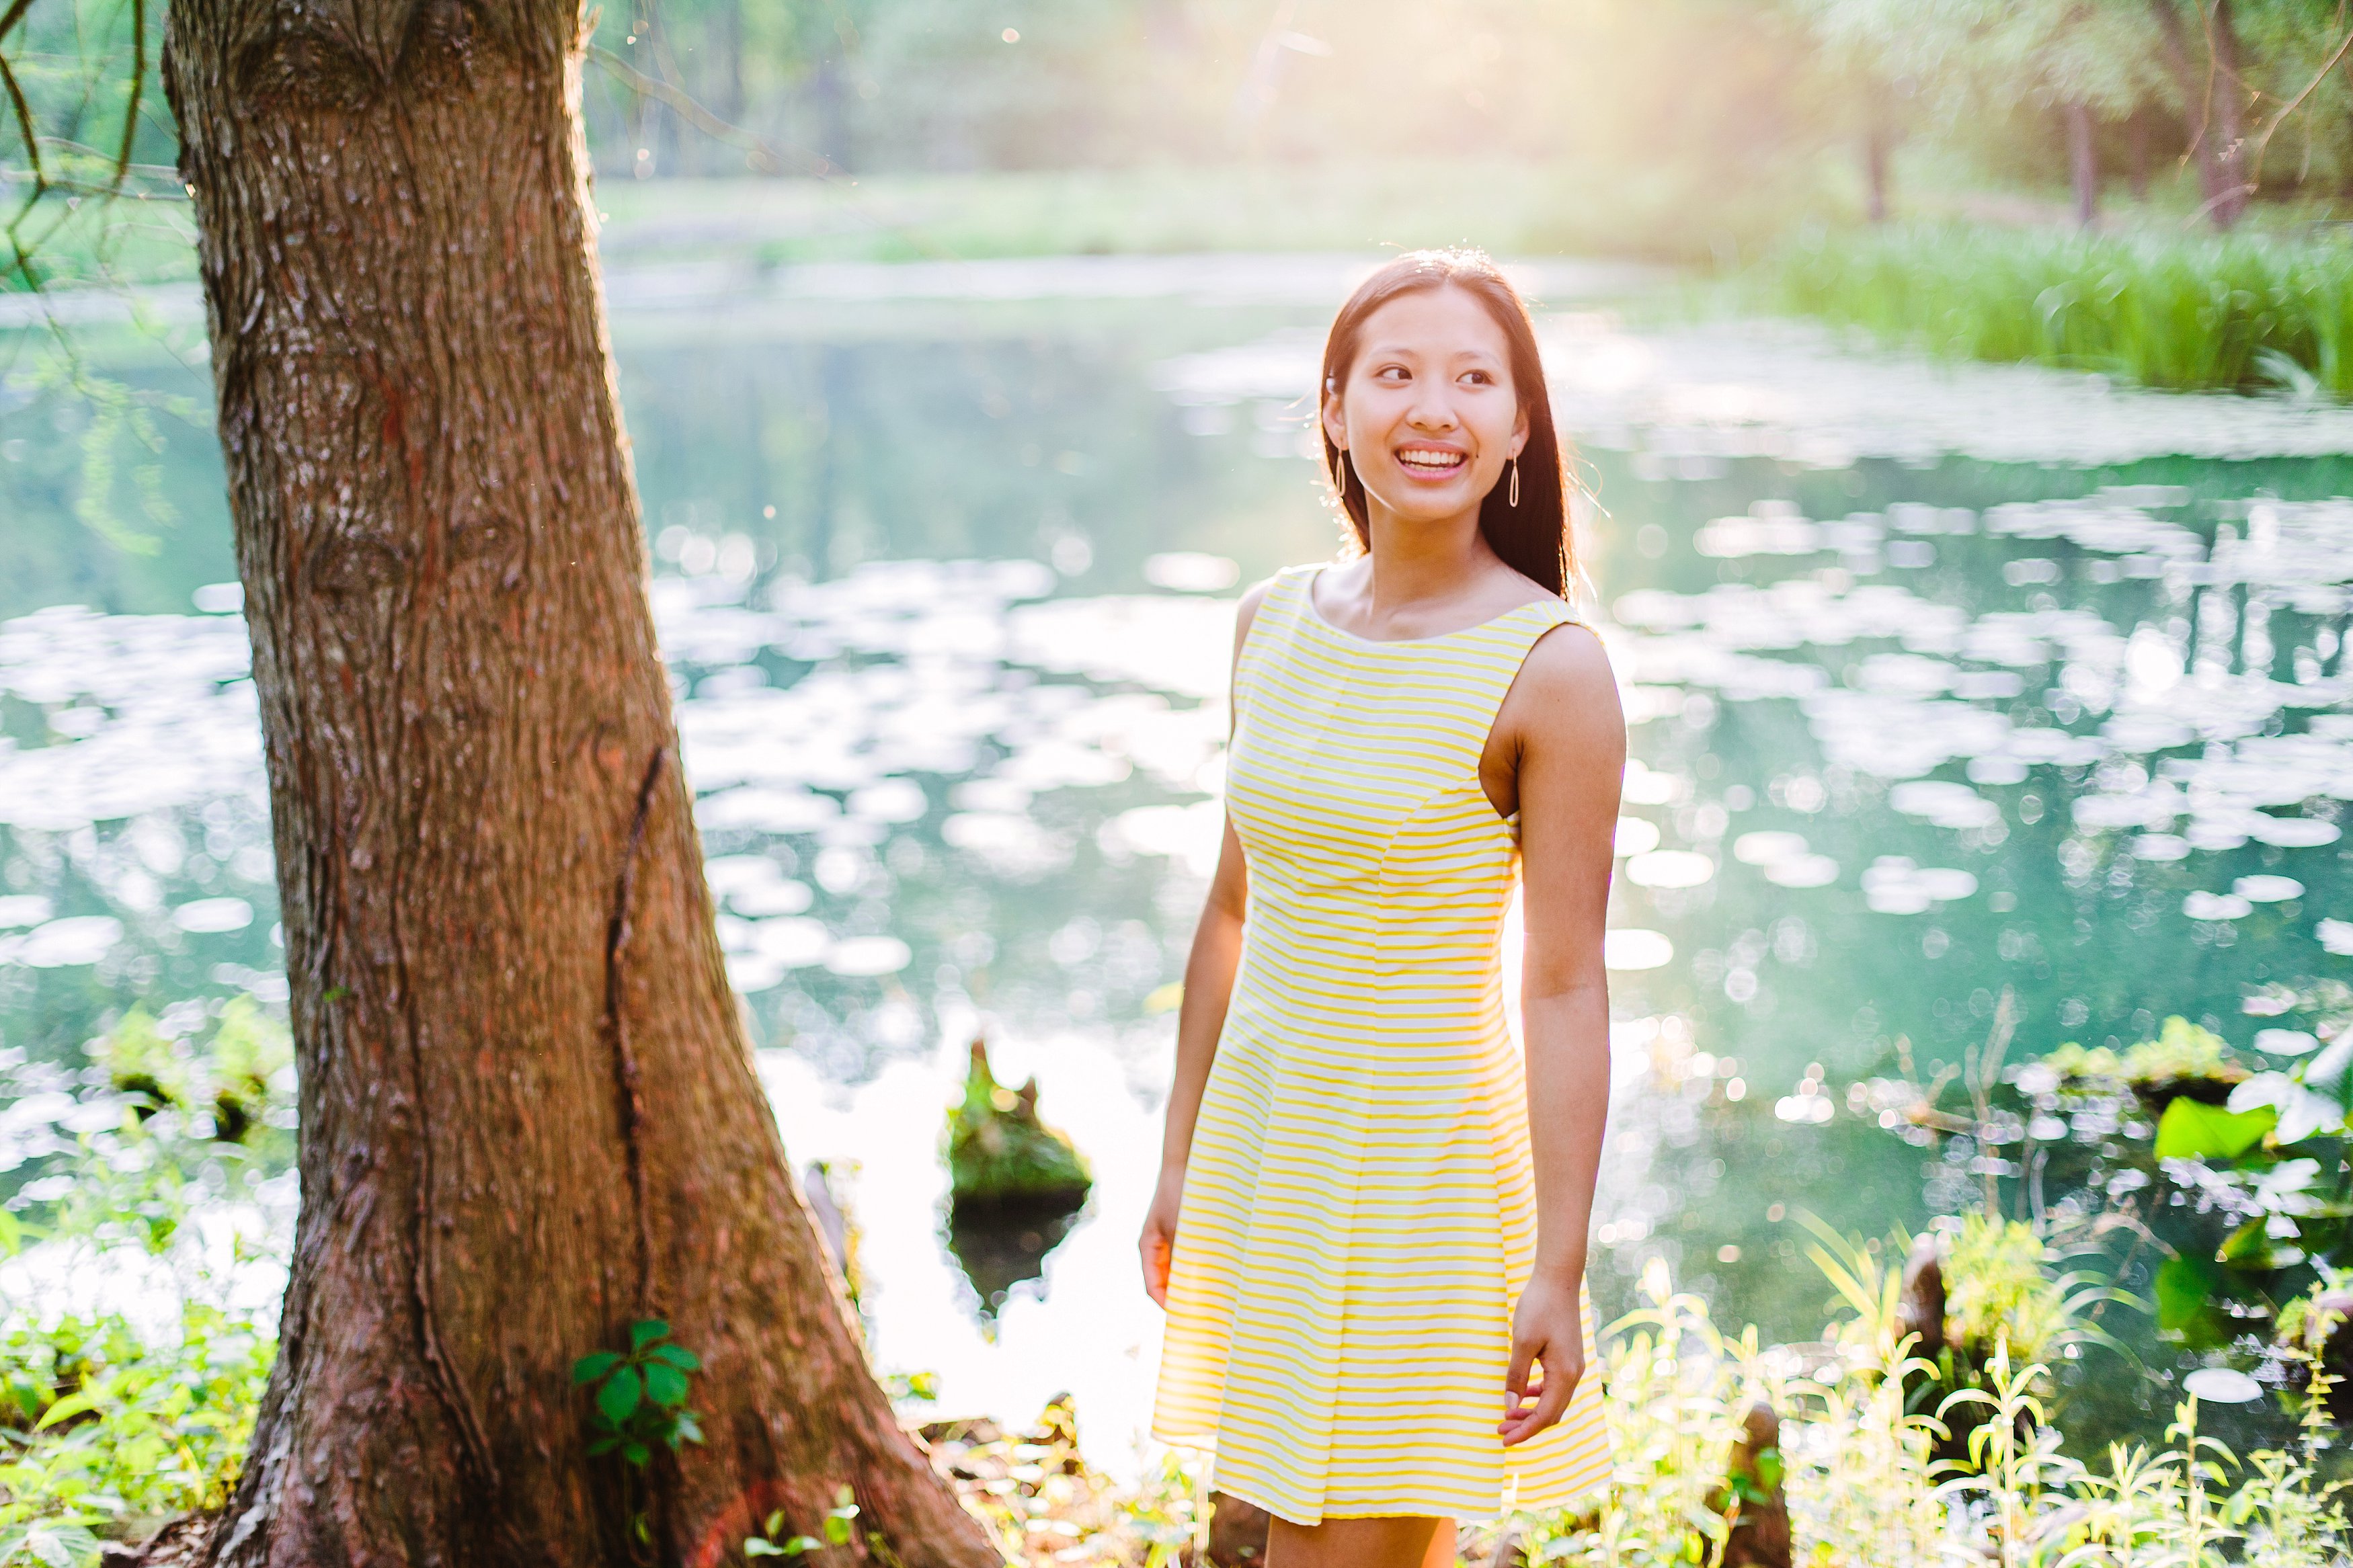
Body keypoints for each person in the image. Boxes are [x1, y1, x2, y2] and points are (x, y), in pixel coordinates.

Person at [1139, 249, 1622, 1568]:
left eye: (1476, 379)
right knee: (1282, 1532)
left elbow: (1566, 983)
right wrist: (1180, 1162)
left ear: (1519, 426)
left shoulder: (1553, 669)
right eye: (1396, 373)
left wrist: (1556, 1268)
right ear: (1335, 409)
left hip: (1426, 1175)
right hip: (1274, 1151)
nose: (1434, 410)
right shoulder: (1267, 623)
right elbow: (1233, 911)